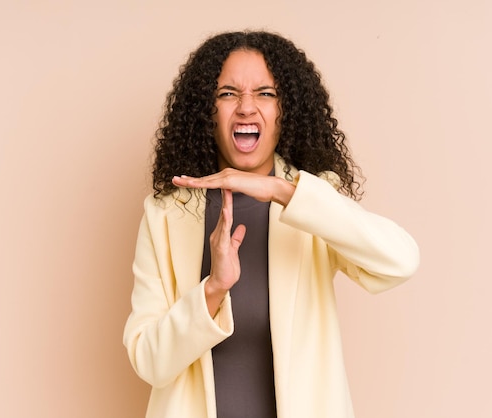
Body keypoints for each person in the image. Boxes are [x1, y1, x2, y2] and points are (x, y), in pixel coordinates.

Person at [123, 30, 420, 418]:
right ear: (206, 112)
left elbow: (400, 261)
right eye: (228, 93)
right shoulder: (164, 214)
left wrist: (284, 191)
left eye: (265, 93)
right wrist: (213, 289)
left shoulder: (312, 201)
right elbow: (149, 361)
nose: (246, 107)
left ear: (286, 112)